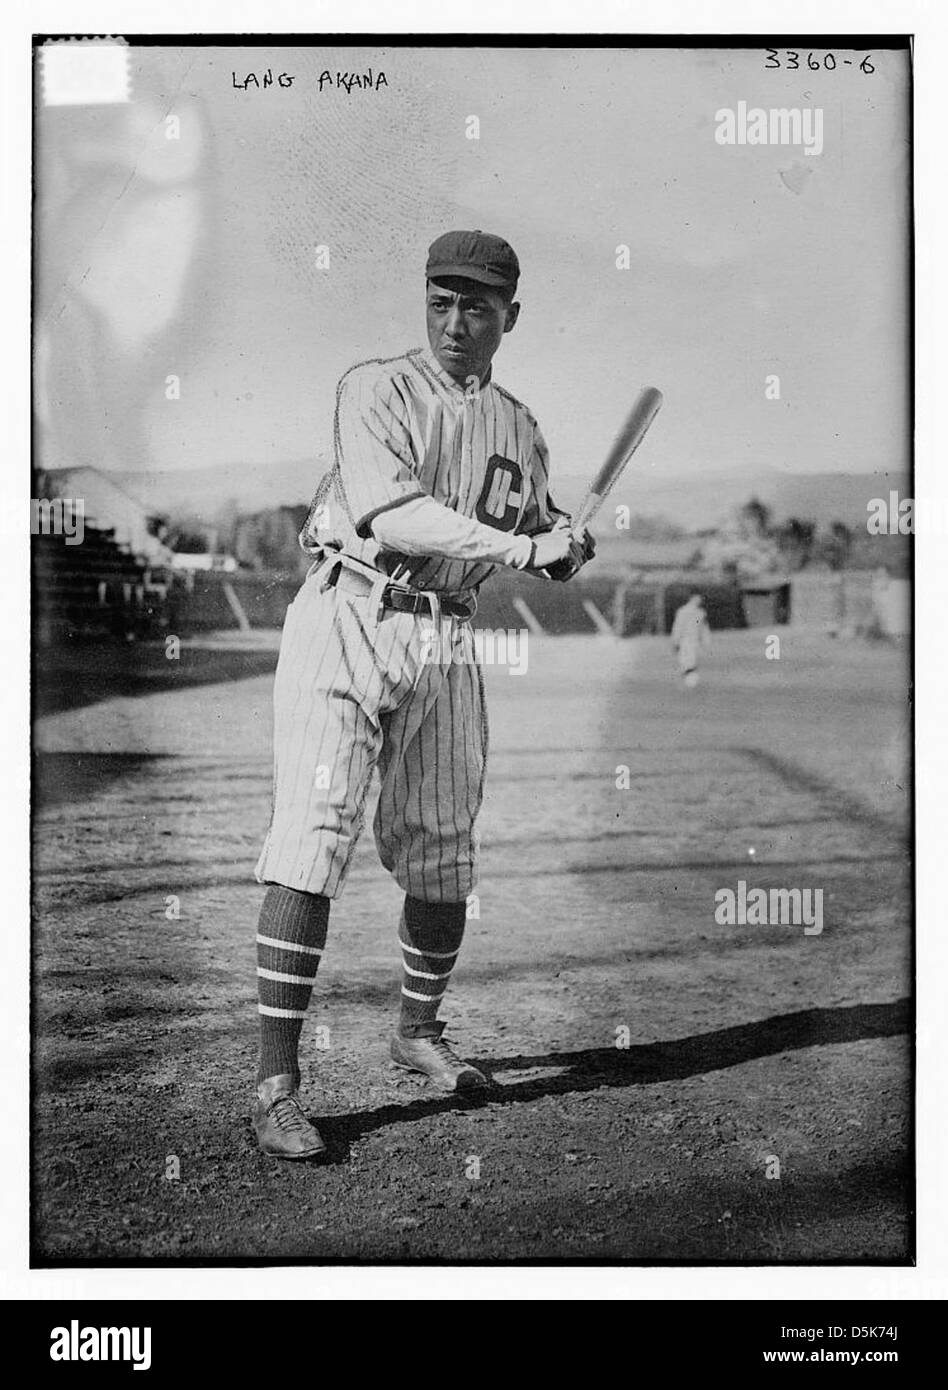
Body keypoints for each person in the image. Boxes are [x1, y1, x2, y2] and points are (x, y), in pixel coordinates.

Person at [251, 229, 595, 1158]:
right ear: (424, 303)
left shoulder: (520, 427)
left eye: (476, 305)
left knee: (444, 852)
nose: (455, 319)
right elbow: (396, 510)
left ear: (507, 318)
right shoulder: (375, 388)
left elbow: (529, 524)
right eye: (440, 300)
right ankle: (278, 1082)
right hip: (349, 614)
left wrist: (563, 540)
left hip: (445, 633)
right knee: (314, 833)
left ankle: (417, 1030)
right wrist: (529, 550)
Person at [670, 591, 711, 687]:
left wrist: (706, 641)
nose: (698, 600)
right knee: (685, 662)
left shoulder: (701, 613)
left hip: (695, 641)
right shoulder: (683, 611)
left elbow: (703, 628)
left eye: (699, 599)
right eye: (696, 598)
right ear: (691, 598)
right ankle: (689, 681)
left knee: (692, 662)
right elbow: (678, 626)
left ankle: (690, 682)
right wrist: (675, 641)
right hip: (684, 640)